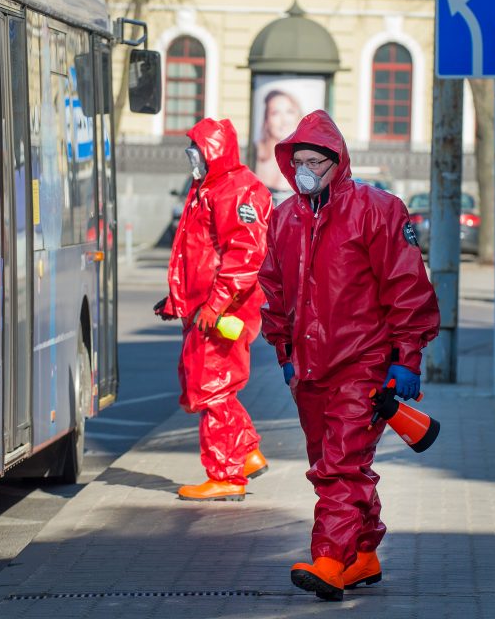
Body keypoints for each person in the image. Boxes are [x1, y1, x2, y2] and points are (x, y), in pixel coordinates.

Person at [257, 109, 440, 601]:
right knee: (337, 463)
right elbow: (273, 290)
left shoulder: (377, 210)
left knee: (338, 466)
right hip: (310, 369)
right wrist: (285, 353)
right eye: (298, 161)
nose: (306, 170)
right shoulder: (284, 218)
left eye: (316, 160)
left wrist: (406, 359)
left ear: (338, 162)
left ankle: (331, 561)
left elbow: (407, 288)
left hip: (364, 363)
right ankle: (362, 555)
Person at [154, 117, 273, 501]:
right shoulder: (211, 188)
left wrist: (216, 304)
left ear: (215, 152)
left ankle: (227, 474)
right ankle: (246, 454)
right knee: (214, 387)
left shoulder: (236, 191)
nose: (193, 157)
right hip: (208, 310)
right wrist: (179, 300)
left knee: (213, 389)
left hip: (222, 313)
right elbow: (195, 254)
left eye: (199, 150)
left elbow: (245, 257)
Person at [254, 89, 301, 192]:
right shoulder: (253, 152)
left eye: (290, 112)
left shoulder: (309, 156)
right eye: (275, 113)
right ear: (266, 120)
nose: (284, 120)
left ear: (298, 117)